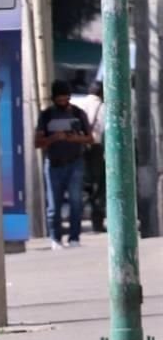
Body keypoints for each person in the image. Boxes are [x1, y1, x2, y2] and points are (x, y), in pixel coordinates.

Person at [35, 79, 93, 249]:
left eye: (65, 99)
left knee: (76, 202)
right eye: (59, 100)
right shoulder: (46, 116)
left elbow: (90, 138)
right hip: (53, 164)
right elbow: (37, 142)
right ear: (53, 99)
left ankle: (74, 238)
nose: (63, 103)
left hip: (75, 162)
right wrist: (54, 138)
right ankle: (55, 238)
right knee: (54, 204)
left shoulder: (78, 113)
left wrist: (73, 138)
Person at [73, 80, 106, 232]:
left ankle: (77, 223)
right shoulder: (104, 107)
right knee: (98, 187)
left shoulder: (78, 105)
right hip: (96, 149)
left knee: (82, 187)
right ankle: (97, 223)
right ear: (101, 93)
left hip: (79, 148)